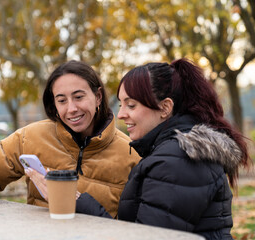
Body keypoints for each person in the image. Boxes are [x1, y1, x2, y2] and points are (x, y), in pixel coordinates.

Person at [76, 58, 252, 240]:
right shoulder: (173, 153)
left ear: (165, 107)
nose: (120, 114)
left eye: (131, 105)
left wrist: (83, 204)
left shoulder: (178, 160)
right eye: (121, 105)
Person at [0, 60, 140, 217]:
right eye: (62, 100)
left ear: (98, 97)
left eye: (79, 97)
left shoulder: (132, 153)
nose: (71, 108)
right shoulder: (31, 137)